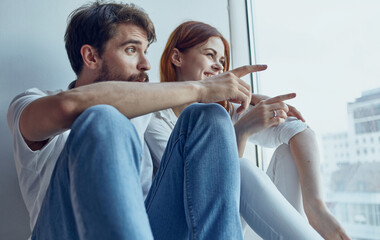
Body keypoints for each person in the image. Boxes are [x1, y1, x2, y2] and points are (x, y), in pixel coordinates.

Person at [6, 2, 270, 240]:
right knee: (104, 117)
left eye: (146, 51)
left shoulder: (146, 113)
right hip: (64, 232)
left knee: (208, 117)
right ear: (91, 57)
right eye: (131, 49)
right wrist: (201, 88)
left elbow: (192, 145)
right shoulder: (30, 102)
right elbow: (71, 105)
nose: (145, 63)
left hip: (145, 228)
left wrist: (239, 104)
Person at [145, 21, 350, 240]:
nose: (218, 66)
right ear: (177, 58)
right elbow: (202, 184)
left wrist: (315, 206)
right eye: (210, 55)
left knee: (289, 153)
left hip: (228, 221)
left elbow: (299, 130)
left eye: (222, 61)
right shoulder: (154, 116)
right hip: (184, 228)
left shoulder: (225, 109)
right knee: (239, 167)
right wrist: (241, 131)